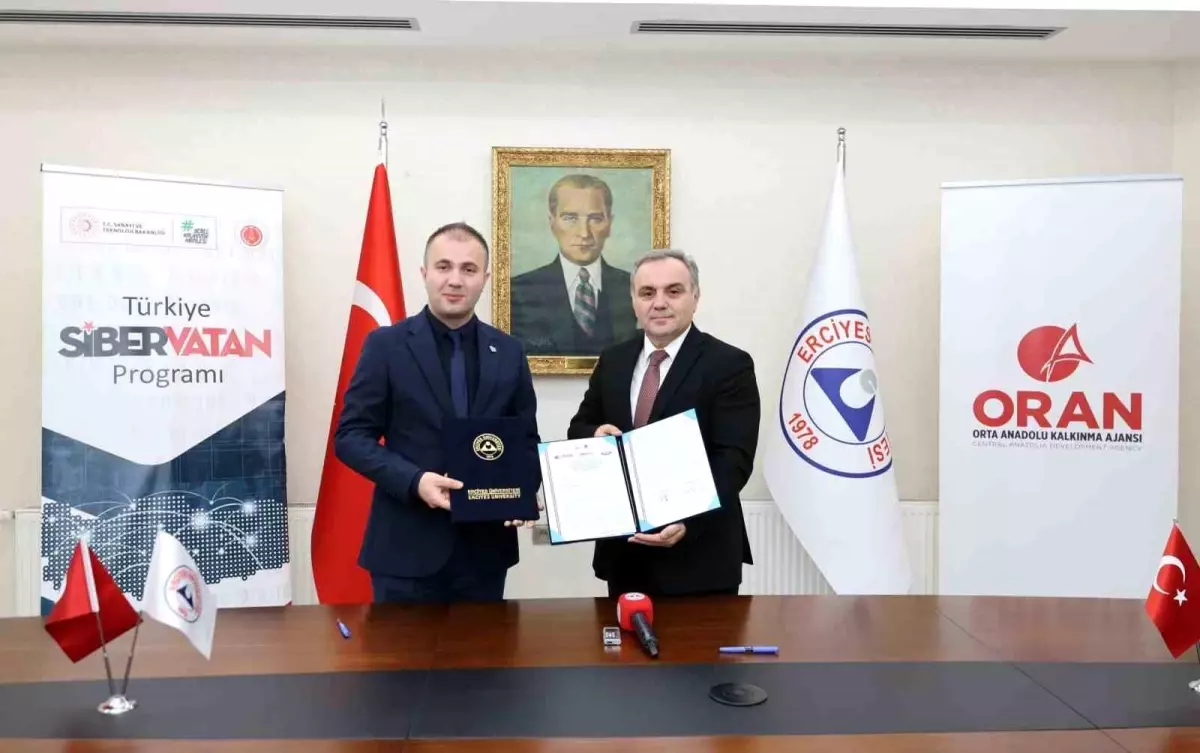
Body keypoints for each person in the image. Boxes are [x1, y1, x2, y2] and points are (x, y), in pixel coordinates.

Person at [334, 222, 540, 604]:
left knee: (485, 647)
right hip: (405, 549)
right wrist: (414, 481)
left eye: (469, 269)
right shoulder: (386, 346)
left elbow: (526, 439)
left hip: (485, 553)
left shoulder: (509, 351)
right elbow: (351, 437)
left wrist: (524, 489)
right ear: (425, 273)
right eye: (444, 267)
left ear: (485, 278)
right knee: (399, 648)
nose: (455, 280)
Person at [567, 249, 760, 597]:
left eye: (673, 291)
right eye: (647, 293)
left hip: (700, 557)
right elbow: (580, 425)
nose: (659, 303)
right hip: (625, 556)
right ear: (633, 301)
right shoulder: (614, 360)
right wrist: (595, 433)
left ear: (695, 297)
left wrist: (686, 520)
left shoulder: (729, 365)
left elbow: (733, 460)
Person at [510, 174, 640, 356]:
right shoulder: (518, 291)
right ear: (552, 223)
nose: (584, 233)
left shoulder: (636, 288)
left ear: (609, 224)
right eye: (570, 218)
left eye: (595, 219)